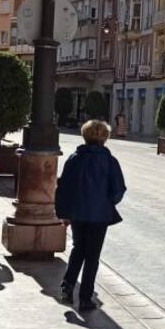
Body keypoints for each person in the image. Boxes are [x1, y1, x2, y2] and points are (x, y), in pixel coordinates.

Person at [55, 120, 126, 313]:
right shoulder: (110, 161)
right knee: (92, 256)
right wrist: (108, 202)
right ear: (105, 138)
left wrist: (63, 212)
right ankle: (85, 298)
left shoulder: (75, 159)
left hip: (77, 212)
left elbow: (63, 187)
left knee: (78, 249)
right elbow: (118, 189)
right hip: (100, 214)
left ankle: (67, 286)